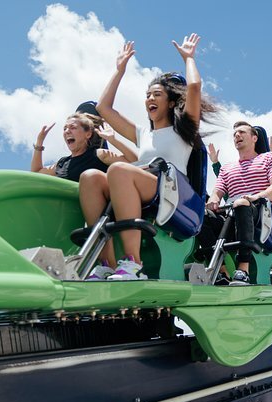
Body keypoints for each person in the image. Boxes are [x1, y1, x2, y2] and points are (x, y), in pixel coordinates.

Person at [88, 33, 218, 281]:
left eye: (156, 94)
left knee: (118, 170)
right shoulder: (142, 133)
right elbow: (103, 108)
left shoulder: (184, 130)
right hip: (143, 185)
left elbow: (193, 87)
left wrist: (189, 58)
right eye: (148, 94)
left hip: (172, 193)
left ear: (170, 102)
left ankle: (132, 263)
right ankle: (105, 262)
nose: (150, 98)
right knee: (91, 177)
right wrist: (119, 70)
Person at [201, 121, 272, 286]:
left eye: (241, 132)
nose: (237, 136)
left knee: (241, 203)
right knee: (203, 214)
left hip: (264, 217)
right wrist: (213, 201)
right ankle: (222, 272)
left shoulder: (269, 158)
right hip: (234, 216)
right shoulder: (227, 168)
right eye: (234, 134)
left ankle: (243, 270)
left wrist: (256, 197)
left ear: (254, 138)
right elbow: (217, 192)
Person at [30, 113, 136, 182]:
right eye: (65, 128)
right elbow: (36, 174)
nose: (67, 131)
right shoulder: (62, 164)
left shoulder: (99, 154)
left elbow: (135, 162)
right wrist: (40, 142)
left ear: (88, 134)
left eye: (73, 127)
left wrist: (113, 140)